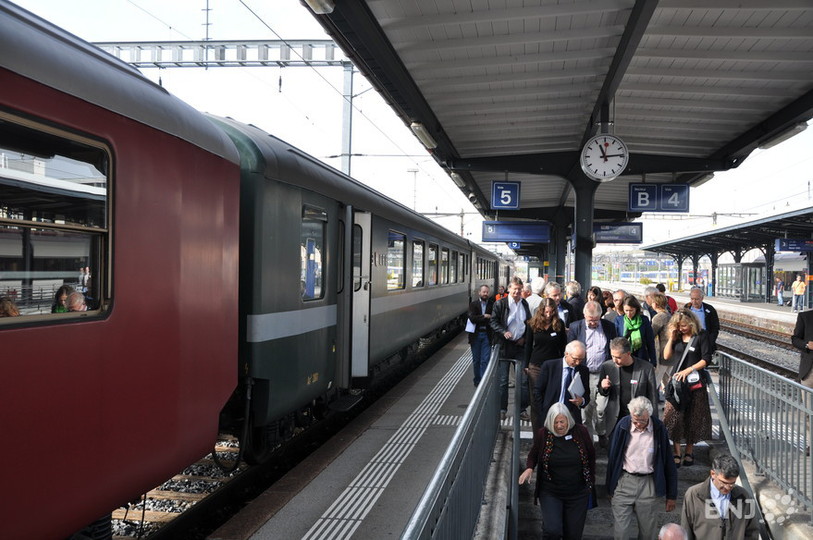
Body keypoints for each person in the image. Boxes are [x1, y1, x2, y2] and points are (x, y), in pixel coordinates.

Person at [519, 403, 596, 540]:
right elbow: (533, 454)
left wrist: (590, 483)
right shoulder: (543, 434)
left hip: (577, 494)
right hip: (551, 492)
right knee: (552, 530)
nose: (559, 426)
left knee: (573, 535)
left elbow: (590, 456)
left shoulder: (581, 431)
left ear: (568, 420)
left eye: (562, 421)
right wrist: (530, 468)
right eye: (555, 422)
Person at [606, 397, 678, 540]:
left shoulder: (658, 428)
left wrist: (672, 495)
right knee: (621, 532)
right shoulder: (623, 425)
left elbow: (668, 462)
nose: (638, 424)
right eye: (635, 420)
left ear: (649, 415)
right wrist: (610, 487)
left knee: (648, 533)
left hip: (648, 483)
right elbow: (613, 458)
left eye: (643, 421)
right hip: (625, 481)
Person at [662, 309, 713, 468]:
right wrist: (671, 338)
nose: (682, 328)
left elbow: (706, 359)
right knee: (674, 418)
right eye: (678, 326)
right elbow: (666, 356)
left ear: (691, 323)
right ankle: (677, 452)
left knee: (693, 418)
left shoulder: (701, 336)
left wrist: (689, 369)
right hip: (677, 385)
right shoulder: (676, 337)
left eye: (684, 325)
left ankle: (689, 451)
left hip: (694, 384)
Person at [567, 301, 617, 444]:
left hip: (602, 374)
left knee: (601, 409)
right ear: (584, 316)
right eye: (590, 320)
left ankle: (601, 433)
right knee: (585, 411)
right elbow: (569, 350)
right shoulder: (576, 327)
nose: (594, 323)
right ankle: (587, 442)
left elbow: (612, 348)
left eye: (596, 320)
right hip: (584, 375)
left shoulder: (609, 327)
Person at [681, 454, 760, 539]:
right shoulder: (693, 495)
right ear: (713, 474)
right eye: (724, 482)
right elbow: (686, 530)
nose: (728, 487)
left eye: (732, 483)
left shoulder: (744, 496)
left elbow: (752, 531)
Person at [598, 337, 659, 439]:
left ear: (628, 353)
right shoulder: (607, 367)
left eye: (618, 357)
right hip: (615, 418)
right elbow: (603, 392)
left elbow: (652, 396)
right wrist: (603, 387)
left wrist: (653, 421)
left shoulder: (646, 368)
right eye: (612, 356)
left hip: (638, 418)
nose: (614, 360)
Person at [491, 277, 533, 420]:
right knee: (503, 380)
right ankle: (502, 409)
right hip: (504, 346)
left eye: (519, 290)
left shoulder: (524, 304)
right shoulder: (500, 304)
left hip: (520, 346)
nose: (517, 292)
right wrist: (504, 332)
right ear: (509, 289)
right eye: (514, 289)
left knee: (523, 381)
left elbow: (529, 324)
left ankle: (521, 410)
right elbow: (493, 321)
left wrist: (525, 339)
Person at [526, 298, 568, 430]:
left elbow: (563, 347)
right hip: (536, 366)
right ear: (541, 311)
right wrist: (526, 365)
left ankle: (551, 430)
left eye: (551, 312)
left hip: (554, 367)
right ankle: (537, 434)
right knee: (536, 401)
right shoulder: (532, 324)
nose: (548, 315)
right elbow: (528, 346)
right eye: (546, 312)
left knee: (552, 399)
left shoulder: (559, 324)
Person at [533, 340, 590, 428]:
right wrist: (542, 411)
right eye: (575, 359)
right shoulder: (550, 366)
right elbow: (538, 391)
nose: (578, 362)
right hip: (550, 413)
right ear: (566, 354)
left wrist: (582, 401)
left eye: (581, 359)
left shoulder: (583, 370)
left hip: (571, 415)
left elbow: (587, 394)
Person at [614, 295, 657, 366]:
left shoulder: (644, 320)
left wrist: (653, 361)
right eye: (626, 310)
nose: (629, 313)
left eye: (631, 310)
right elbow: (616, 341)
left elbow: (650, 342)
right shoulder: (619, 320)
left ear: (636, 309)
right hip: (624, 359)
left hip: (641, 358)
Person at [467, 285, 494, 386]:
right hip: (476, 336)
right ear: (479, 292)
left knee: (485, 360)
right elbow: (472, 318)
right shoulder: (473, 305)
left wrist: (482, 318)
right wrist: (484, 316)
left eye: (487, 292)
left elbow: (493, 318)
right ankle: (477, 380)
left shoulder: (492, 304)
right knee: (476, 360)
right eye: (484, 292)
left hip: (487, 335)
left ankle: (483, 382)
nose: (485, 294)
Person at [685, 286, 720, 351]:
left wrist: (710, 342)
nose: (694, 302)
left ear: (702, 298)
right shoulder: (686, 308)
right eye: (692, 299)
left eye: (697, 299)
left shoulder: (710, 309)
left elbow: (715, 327)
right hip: (689, 341)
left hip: (705, 342)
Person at [650, 293, 674, 385]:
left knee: (657, 378)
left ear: (655, 304)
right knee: (667, 378)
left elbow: (652, 333)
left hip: (662, 351)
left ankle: (654, 397)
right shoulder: (669, 315)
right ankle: (669, 397)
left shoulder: (659, 317)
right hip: (671, 350)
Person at [792, 308, 813, 386]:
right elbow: (795, 339)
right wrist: (807, 345)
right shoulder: (805, 316)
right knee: (808, 397)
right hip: (810, 372)